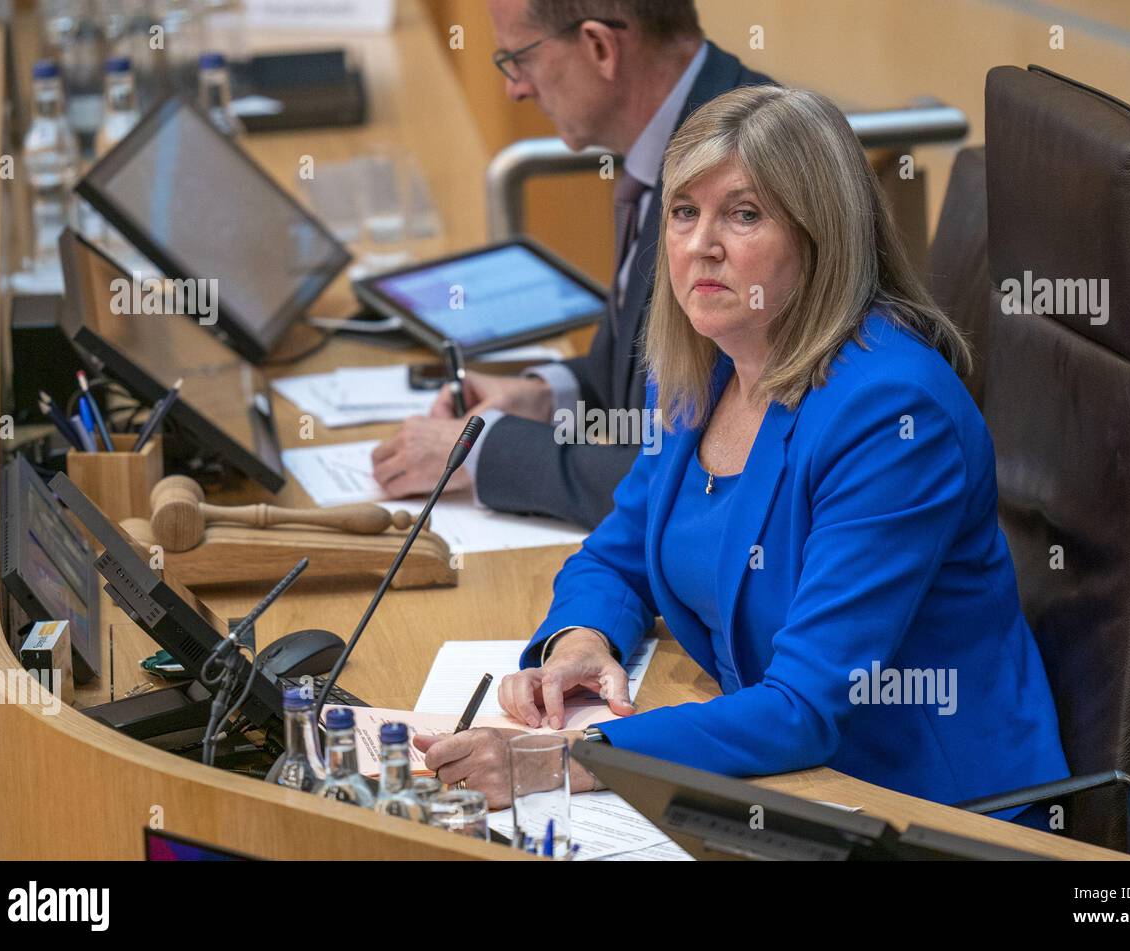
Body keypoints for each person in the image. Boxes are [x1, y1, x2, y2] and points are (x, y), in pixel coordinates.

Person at [415, 85, 1071, 829]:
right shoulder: (709, 362)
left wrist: (556, 761)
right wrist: (582, 639)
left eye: (745, 213)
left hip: (923, 813)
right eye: (684, 211)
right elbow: (617, 555)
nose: (702, 245)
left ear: (821, 235)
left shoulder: (889, 414)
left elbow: (802, 707)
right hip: (782, 782)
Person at [371, 0, 773, 529]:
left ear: (599, 47)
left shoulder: (743, 170)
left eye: (520, 60)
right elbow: (657, 380)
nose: (515, 88)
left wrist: (486, 451)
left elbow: (695, 479)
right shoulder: (667, 142)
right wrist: (546, 396)